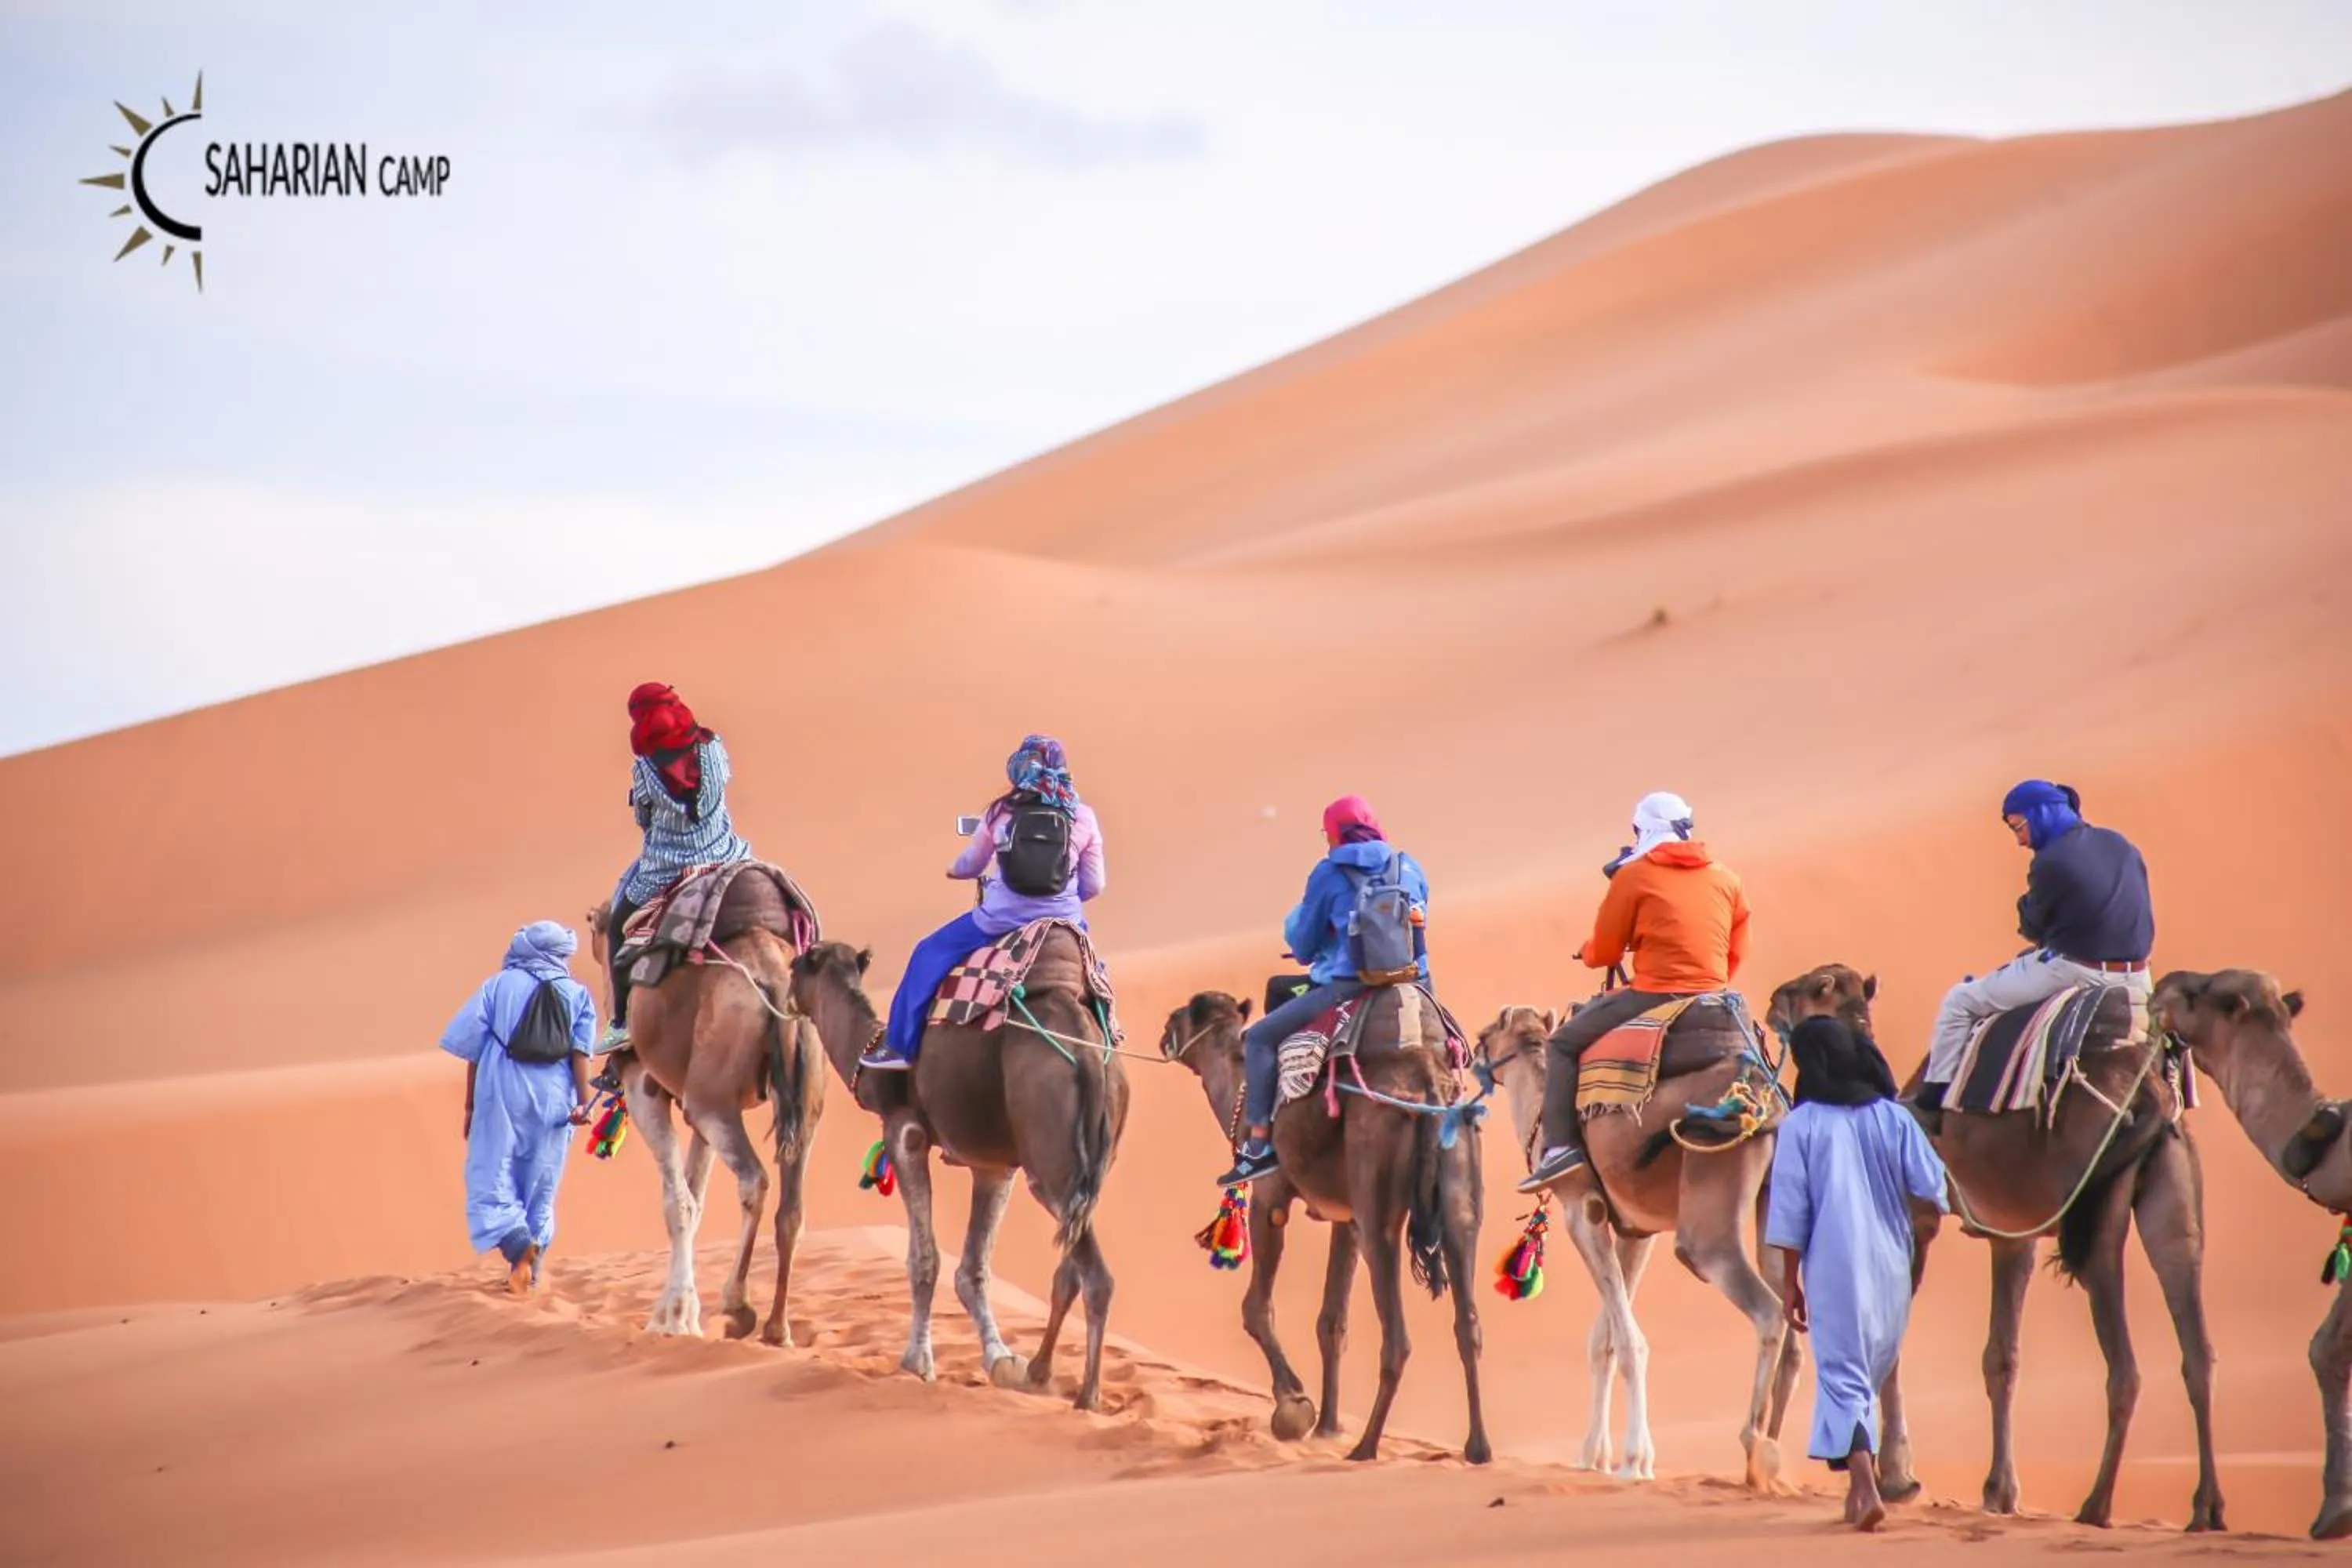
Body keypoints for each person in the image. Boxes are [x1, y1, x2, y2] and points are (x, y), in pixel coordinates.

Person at [1766, 1014, 1950, 1531]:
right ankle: (1859, 1485)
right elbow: (1933, 1188)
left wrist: (1789, 1284)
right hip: (1893, 1263)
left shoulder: (1800, 1125)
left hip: (1833, 1261)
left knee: (1842, 1374)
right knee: (1867, 1370)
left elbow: (1791, 1212)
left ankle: (1865, 1485)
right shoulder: (1894, 1118)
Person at [1519, 790, 1752, 1192]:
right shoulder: (1727, 879)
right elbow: (1736, 950)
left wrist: (1588, 953)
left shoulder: (1633, 877)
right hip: (1715, 996)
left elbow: (1607, 951)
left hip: (1655, 992)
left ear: (1642, 830)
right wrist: (1707, 981)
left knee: (1561, 1045)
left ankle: (1559, 1150)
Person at [1912, 780, 2154, 1128]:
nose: (2020, 841)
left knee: (1960, 1002)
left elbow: (2033, 925)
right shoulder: (2119, 843)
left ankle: (1932, 1104)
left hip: (2079, 972)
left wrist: (2026, 908)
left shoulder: (2051, 862)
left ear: (2040, 815)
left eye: (2018, 827)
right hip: (2139, 976)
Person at [1216, 795, 1430, 1186]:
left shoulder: (1328, 873)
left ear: (1335, 834)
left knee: (1260, 1038)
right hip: (1413, 983)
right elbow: (1419, 925)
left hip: (1348, 987)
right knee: (1448, 1044)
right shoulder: (1408, 866)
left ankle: (1259, 1144)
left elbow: (1303, 945)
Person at [859, 735, 1107, 1071]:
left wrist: (955, 871)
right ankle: (1109, 1037)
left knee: (928, 953)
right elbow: (1095, 884)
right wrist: (1063, 901)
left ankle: (901, 1047)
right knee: (1096, 974)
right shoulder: (1084, 817)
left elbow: (971, 865)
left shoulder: (1001, 812)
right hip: (1064, 920)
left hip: (1000, 918)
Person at [440, 920, 598, 1296]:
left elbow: (473, 1048)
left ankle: (517, 1246)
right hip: (553, 1097)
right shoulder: (577, 993)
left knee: (491, 1173)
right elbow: (581, 1054)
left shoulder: (498, 986)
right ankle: (532, 1268)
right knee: (541, 1183)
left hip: (501, 1090)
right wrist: (583, 1103)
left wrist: (470, 1106)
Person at [602, 681, 754, 1051]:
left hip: (665, 869)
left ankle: (620, 1023)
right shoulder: (712, 746)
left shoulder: (645, 768)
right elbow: (721, 785)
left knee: (617, 928)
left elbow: (643, 818)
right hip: (727, 854)